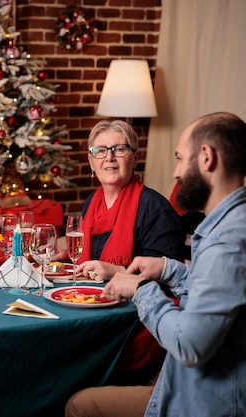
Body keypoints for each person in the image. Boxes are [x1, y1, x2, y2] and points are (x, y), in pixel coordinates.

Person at [65, 111, 246, 417]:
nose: (176, 173)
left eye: (179, 158)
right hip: (187, 381)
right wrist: (168, 268)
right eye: (100, 151)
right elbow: (216, 287)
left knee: (75, 402)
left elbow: (189, 345)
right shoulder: (225, 225)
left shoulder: (224, 242)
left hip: (200, 398)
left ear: (206, 157)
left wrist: (139, 287)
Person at [59, 120, 185, 382]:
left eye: (119, 149)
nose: (109, 158)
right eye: (100, 151)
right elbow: (85, 258)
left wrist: (114, 271)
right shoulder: (91, 203)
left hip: (134, 323)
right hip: (95, 309)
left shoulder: (154, 208)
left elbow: (171, 282)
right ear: (91, 161)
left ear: (134, 157)